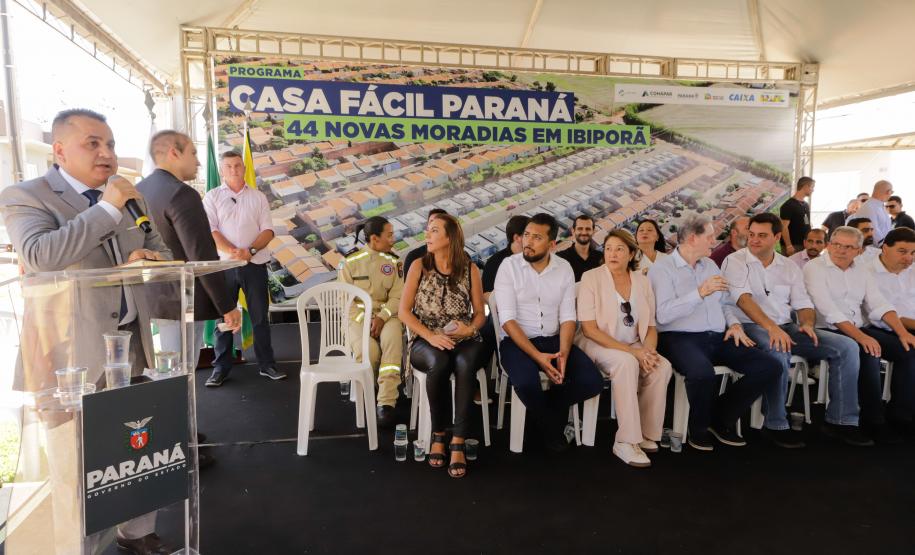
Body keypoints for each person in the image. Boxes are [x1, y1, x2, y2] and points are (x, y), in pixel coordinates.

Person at [0, 108, 173, 554]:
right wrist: (109, 207)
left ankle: (136, 535)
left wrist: (152, 262)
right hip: (68, 358)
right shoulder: (26, 195)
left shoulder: (133, 198)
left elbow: (159, 250)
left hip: (131, 348)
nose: (107, 153)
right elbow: (40, 255)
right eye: (93, 143)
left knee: (138, 451)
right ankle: (80, 548)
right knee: (77, 471)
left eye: (111, 144)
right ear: (59, 150)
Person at [722, 213, 870, 447]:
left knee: (848, 346)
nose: (754, 240)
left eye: (762, 235)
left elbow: (803, 303)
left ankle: (842, 421)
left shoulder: (789, 266)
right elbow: (743, 300)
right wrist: (772, 328)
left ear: (777, 237)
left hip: (787, 326)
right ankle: (776, 424)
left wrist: (808, 324)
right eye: (751, 235)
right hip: (750, 326)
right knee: (778, 347)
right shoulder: (735, 261)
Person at [648, 214, 780, 451]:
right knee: (702, 373)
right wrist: (699, 293)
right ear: (691, 238)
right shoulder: (662, 268)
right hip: (678, 337)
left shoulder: (709, 265)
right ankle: (698, 429)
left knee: (770, 366)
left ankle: (719, 418)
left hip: (718, 336)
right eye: (709, 237)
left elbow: (724, 303)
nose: (715, 241)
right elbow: (663, 315)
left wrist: (735, 325)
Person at [493, 213, 604, 452]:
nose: (528, 242)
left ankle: (544, 410)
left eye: (536, 237)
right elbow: (508, 320)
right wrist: (538, 357)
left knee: (593, 382)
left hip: (555, 340)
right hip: (517, 342)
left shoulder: (563, 268)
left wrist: (563, 354)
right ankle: (550, 426)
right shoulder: (509, 267)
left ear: (552, 244)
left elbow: (567, 318)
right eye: (526, 235)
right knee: (526, 382)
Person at [137, 131, 242, 370]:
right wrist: (226, 306)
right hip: (183, 299)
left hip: (154, 297)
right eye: (193, 153)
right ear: (174, 153)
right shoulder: (182, 194)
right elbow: (201, 255)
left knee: (168, 373)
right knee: (181, 375)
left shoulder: (140, 189)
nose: (198, 161)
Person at [803, 225, 915, 442]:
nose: (841, 251)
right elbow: (828, 309)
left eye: (848, 247)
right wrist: (862, 336)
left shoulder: (861, 269)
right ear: (829, 245)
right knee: (869, 350)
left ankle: (901, 415)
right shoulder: (815, 267)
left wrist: (902, 333)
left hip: (856, 326)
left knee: (908, 349)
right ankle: (872, 420)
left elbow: (878, 303)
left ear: (859, 250)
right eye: (836, 245)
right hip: (825, 328)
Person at [399, 213, 487, 478]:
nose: (427, 235)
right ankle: (439, 434)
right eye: (427, 230)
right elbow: (404, 312)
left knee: (465, 361)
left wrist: (469, 329)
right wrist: (430, 336)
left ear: (450, 237)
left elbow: (480, 313)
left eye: (434, 231)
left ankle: (458, 440)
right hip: (425, 340)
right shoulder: (419, 265)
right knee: (439, 362)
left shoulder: (469, 268)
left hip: (462, 337)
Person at [575, 230, 673, 467]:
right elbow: (589, 329)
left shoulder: (642, 280)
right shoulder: (591, 278)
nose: (612, 254)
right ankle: (625, 440)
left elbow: (650, 326)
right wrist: (635, 353)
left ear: (631, 254)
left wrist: (647, 352)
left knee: (661, 366)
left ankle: (647, 433)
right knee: (626, 363)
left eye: (619, 249)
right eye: (608, 248)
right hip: (598, 342)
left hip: (634, 343)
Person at [203, 151, 283, 386]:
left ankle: (266, 365)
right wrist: (233, 251)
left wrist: (250, 251)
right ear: (222, 170)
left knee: (260, 318)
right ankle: (220, 369)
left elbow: (267, 231)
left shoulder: (258, 197)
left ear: (244, 168)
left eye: (238, 165)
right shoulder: (212, 196)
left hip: (254, 264)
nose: (234, 170)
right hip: (225, 266)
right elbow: (211, 230)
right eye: (228, 166)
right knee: (224, 318)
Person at [338, 216, 404, 428]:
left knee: (393, 343)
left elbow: (397, 296)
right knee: (370, 352)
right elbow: (345, 300)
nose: (393, 238)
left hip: (387, 316)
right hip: (358, 318)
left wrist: (382, 317)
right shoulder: (350, 262)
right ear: (374, 238)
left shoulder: (394, 262)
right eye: (389, 235)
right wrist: (367, 322)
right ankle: (369, 394)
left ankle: (386, 402)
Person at [863, 227, 915, 431]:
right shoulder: (867, 271)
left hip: (909, 325)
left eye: (913, 253)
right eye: (902, 252)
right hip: (877, 327)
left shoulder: (912, 270)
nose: (909, 258)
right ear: (884, 248)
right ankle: (901, 416)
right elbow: (883, 313)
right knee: (909, 352)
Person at [556, 214, 603, 281]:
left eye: (588, 229)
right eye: (580, 229)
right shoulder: (561, 258)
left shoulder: (600, 257)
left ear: (593, 231)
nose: (584, 232)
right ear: (573, 231)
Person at [402, 208, 447, 274]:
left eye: (437, 223)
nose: (433, 225)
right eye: (431, 222)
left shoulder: (462, 257)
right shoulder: (413, 257)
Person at [780, 176, 814, 256]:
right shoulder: (788, 205)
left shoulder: (806, 205)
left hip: (805, 244)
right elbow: (783, 227)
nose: (813, 190)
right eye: (812, 187)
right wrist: (788, 246)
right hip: (793, 245)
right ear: (806, 186)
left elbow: (806, 222)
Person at [851, 180, 894, 245]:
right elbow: (873, 232)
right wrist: (887, 247)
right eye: (892, 192)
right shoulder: (868, 207)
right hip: (874, 250)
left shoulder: (879, 206)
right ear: (888, 192)